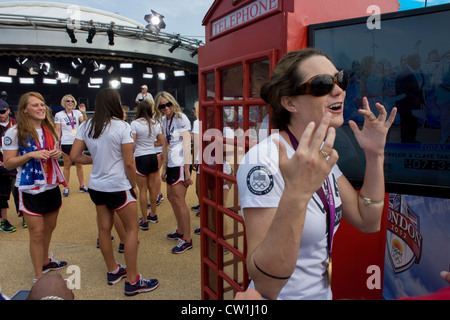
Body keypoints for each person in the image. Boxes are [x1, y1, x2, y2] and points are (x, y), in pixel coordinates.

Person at [236, 48, 397, 300]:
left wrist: (375, 155)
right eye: (321, 84)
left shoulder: (321, 155)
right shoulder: (262, 161)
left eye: (340, 79)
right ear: (289, 103)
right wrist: (297, 194)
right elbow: (266, 284)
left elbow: (368, 221)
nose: (338, 90)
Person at [70, 88, 158, 296]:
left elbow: (74, 155)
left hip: (97, 187)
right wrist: (133, 185)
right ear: (115, 103)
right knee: (131, 230)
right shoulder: (122, 126)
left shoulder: (87, 125)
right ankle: (133, 280)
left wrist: (95, 159)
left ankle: (113, 270)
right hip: (118, 186)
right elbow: (129, 163)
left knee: (104, 230)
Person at [2, 92, 68, 281]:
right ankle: (39, 277)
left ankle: (46, 260)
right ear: (24, 110)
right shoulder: (13, 132)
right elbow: (8, 163)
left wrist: (57, 154)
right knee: (37, 233)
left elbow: (58, 153)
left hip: (51, 186)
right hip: (29, 188)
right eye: (35, 105)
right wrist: (31, 155)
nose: (40, 108)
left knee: (50, 227)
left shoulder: (49, 129)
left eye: (42, 104)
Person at [155, 91, 193, 254]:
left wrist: (186, 169)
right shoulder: (163, 120)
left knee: (179, 200)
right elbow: (165, 144)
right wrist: (164, 166)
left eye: (168, 104)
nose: (165, 108)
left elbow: (186, 144)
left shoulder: (181, 118)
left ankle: (188, 238)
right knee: (171, 198)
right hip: (171, 162)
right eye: (162, 105)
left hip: (180, 163)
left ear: (173, 103)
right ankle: (180, 230)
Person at [130, 100, 164, 230]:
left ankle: (144, 220)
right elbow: (161, 142)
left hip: (141, 157)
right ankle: (153, 215)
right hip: (152, 156)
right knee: (152, 187)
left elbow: (132, 143)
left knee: (142, 189)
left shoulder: (134, 123)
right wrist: (150, 144)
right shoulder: (156, 123)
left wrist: (139, 145)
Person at [54, 94, 88, 197]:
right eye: (68, 101)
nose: (70, 103)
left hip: (77, 142)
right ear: (64, 102)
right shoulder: (59, 115)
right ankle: (66, 187)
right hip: (65, 142)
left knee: (79, 165)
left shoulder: (77, 113)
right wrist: (56, 144)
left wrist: (83, 113)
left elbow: (86, 123)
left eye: (72, 101)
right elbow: (58, 130)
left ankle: (82, 185)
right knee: (67, 165)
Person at [395, 53, 425, 143]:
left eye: (419, 59)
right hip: (406, 106)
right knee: (406, 126)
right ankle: (405, 145)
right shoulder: (402, 75)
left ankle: (412, 141)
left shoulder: (419, 72)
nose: (419, 61)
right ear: (410, 61)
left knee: (413, 124)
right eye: (417, 59)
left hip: (416, 104)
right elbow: (400, 92)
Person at [0, 99, 18, 232]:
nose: (0, 114)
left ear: (8, 111)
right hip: (0, 165)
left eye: (2, 111)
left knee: (20, 190)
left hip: (17, 163)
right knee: (1, 194)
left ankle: (25, 216)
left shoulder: (17, 124)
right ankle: (3, 221)